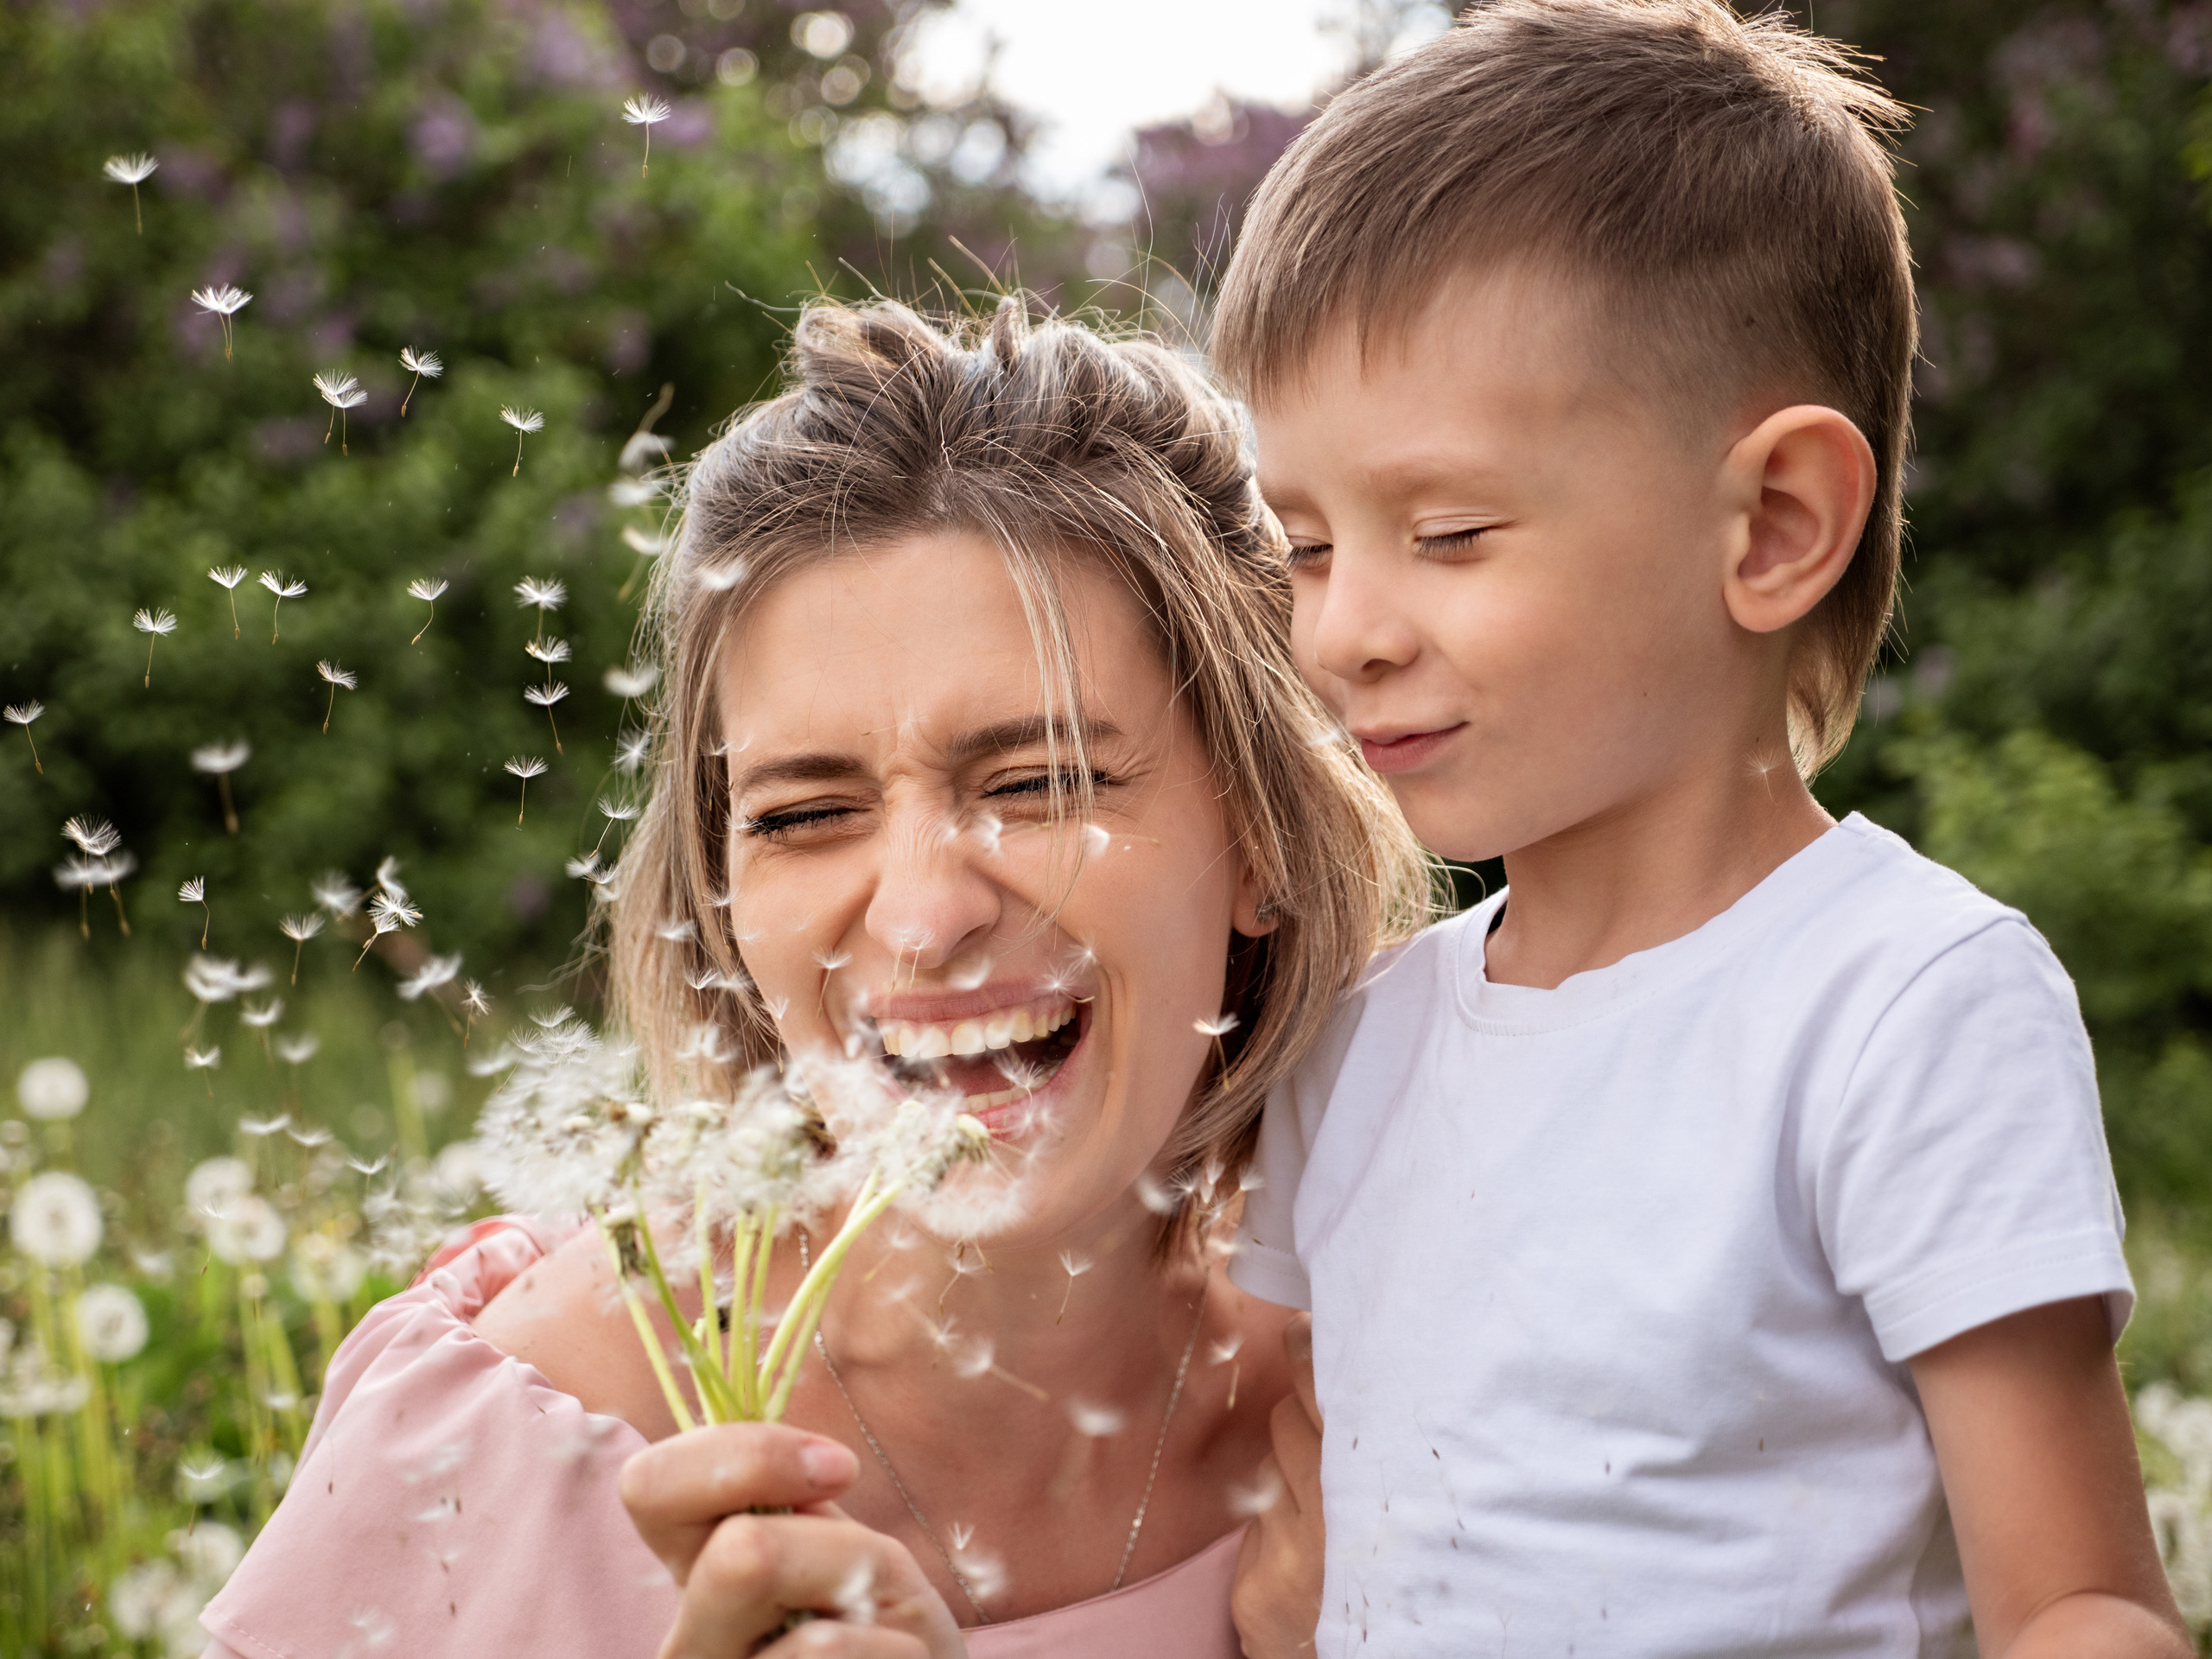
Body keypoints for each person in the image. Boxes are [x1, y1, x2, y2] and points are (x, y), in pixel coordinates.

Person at [197, 296, 1433, 1659]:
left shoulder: (1399, 1399)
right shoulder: (495, 1453)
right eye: (801, 814)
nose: (918, 916)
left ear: (1259, 830)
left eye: (1034, 784)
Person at [1210, 3, 2189, 1656]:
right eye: (1305, 548)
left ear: (1776, 525)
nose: (1341, 632)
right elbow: (1306, 1538)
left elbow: (2084, 1607)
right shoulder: (1355, 1047)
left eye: (1447, 533)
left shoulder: (1902, 1009)